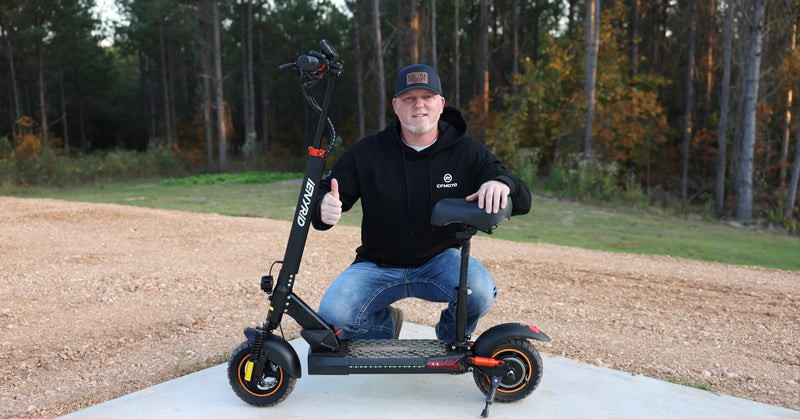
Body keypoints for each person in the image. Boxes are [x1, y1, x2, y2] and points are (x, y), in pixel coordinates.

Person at [311, 64, 531, 341]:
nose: (419, 105)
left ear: (441, 104)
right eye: (409, 98)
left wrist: (501, 183)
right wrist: (322, 207)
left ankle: (452, 338)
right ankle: (385, 325)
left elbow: (523, 198)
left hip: (440, 262)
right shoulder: (367, 152)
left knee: (479, 291)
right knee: (334, 315)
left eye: (427, 97)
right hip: (377, 264)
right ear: (396, 105)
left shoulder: (467, 151)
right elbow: (322, 193)